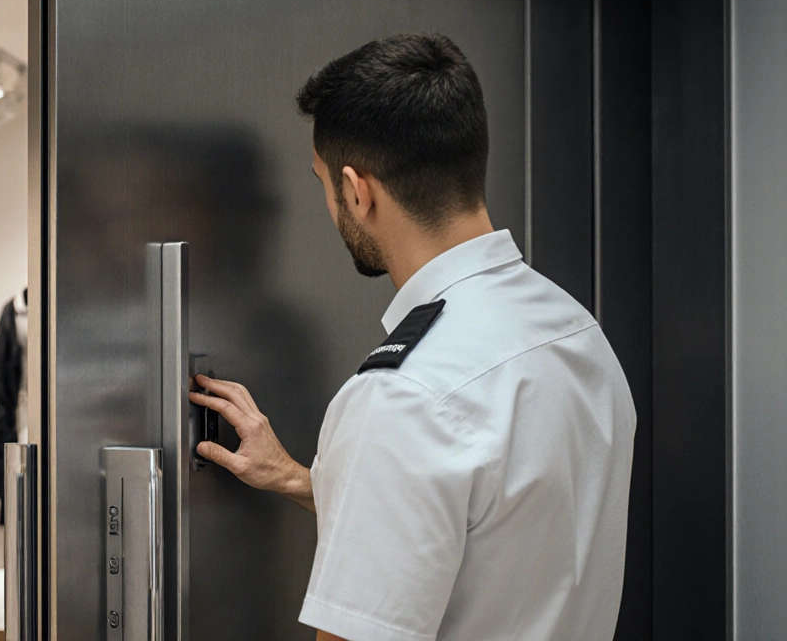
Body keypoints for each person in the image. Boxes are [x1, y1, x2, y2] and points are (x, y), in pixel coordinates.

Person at [190, 33, 636, 641]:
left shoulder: (404, 396)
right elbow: (485, 520)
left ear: (356, 190)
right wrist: (296, 476)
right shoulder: (578, 334)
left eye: (323, 183)